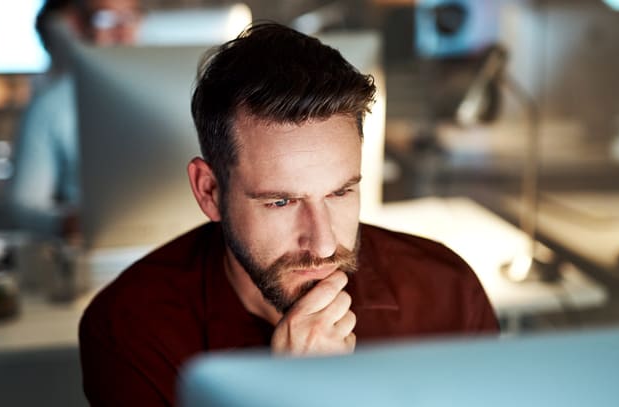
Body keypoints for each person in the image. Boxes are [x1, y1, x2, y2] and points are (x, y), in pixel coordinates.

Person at [79, 22, 499, 406]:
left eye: (339, 193)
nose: (322, 243)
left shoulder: (446, 293)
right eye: (280, 202)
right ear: (209, 192)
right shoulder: (129, 328)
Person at [8, 0, 142, 239]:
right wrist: (67, 222)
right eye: (106, 19)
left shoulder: (167, 92)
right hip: (95, 251)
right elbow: (24, 205)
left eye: (130, 17)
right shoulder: (50, 107)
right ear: (78, 25)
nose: (122, 32)